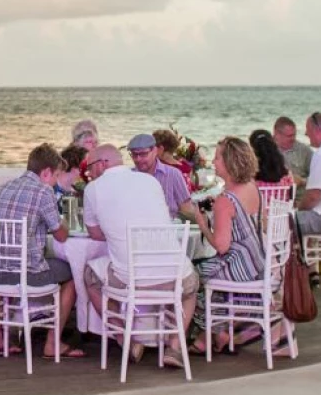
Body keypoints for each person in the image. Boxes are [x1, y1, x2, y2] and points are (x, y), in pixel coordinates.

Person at [84, 142, 199, 354]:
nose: (88, 173)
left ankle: (125, 339)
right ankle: (174, 346)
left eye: (89, 168)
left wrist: (115, 230)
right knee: (191, 286)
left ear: (101, 165)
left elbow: (94, 234)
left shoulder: (93, 189)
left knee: (90, 275)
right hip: (172, 278)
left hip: (131, 281)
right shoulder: (150, 181)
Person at [0, 144, 81, 361]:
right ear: (46, 172)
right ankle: (52, 342)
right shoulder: (43, 191)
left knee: (7, 261)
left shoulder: (5, 187)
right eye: (56, 175)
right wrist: (64, 220)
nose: (56, 181)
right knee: (73, 276)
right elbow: (61, 236)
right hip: (24, 275)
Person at [195, 137, 268, 352]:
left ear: (230, 162)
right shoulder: (251, 187)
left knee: (193, 276)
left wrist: (201, 223)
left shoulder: (225, 200)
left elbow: (221, 247)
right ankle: (215, 334)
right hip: (259, 262)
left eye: (217, 158)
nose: (213, 162)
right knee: (204, 267)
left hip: (241, 268)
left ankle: (211, 333)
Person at [126, 133, 200, 223]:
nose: (138, 159)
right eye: (134, 155)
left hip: (168, 230)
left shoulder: (173, 174)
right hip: (137, 230)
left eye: (143, 154)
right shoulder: (128, 176)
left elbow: (186, 209)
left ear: (155, 151)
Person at [274, 116, 312, 185]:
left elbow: (319, 175)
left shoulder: (304, 150)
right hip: (272, 193)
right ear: (277, 134)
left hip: (299, 194)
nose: (293, 139)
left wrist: (302, 181)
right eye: (289, 136)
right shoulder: (265, 150)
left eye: (294, 135)